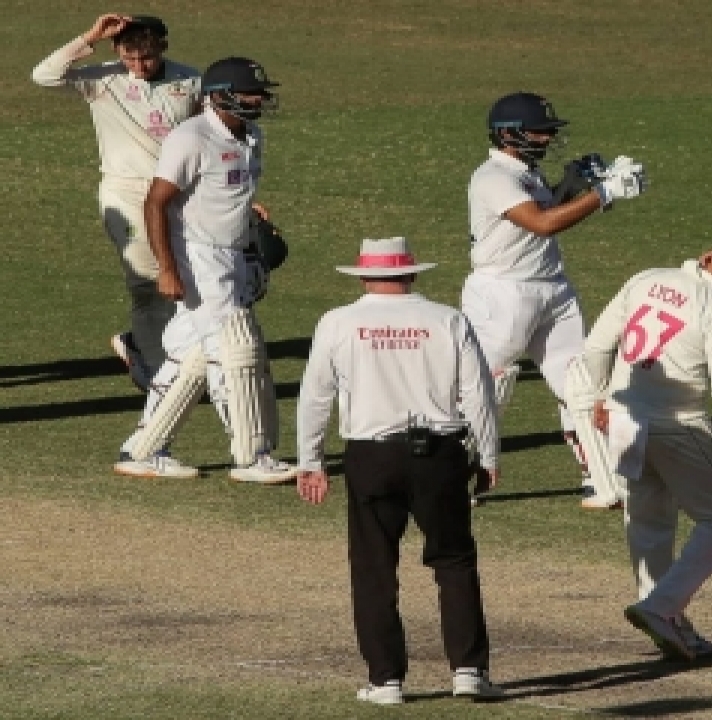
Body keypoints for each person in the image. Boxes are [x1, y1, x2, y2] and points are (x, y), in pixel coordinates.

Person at [295, 237, 503, 705]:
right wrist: (488, 455)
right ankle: (469, 670)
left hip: (371, 454)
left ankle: (386, 680)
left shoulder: (339, 323)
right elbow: (478, 394)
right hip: (439, 453)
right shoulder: (446, 319)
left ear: (364, 275)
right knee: (453, 560)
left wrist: (310, 461)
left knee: (373, 569)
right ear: (410, 273)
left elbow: (315, 398)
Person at [581, 236, 712, 661]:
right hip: (677, 424)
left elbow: (599, 344)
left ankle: (666, 616)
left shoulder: (645, 279)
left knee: (648, 517)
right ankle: (660, 607)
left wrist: (600, 396)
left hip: (622, 415)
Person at [112, 57, 295, 484]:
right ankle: (252, 457)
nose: (259, 99)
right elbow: (156, 202)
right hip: (198, 258)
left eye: (260, 92)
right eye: (250, 92)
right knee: (237, 348)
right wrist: (167, 270)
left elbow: (219, 191)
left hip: (232, 254)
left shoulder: (251, 135)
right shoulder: (191, 137)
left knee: (191, 357)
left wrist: (250, 217)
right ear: (219, 96)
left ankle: (143, 449)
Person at [463, 91, 647, 509]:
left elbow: (546, 212)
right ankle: (458, 476)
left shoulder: (525, 173)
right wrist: (602, 194)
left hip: (552, 287)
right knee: (485, 385)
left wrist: (575, 185)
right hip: (502, 292)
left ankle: (600, 477)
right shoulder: (493, 177)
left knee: (580, 383)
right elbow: (542, 223)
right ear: (508, 134)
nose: (546, 138)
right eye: (538, 131)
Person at [32, 13, 202, 390]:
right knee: (146, 281)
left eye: (147, 58)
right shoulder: (104, 79)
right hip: (125, 191)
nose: (138, 67)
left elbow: (207, 139)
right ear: (116, 49)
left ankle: (150, 347)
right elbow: (44, 75)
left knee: (185, 276)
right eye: (129, 57)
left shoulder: (190, 81)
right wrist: (90, 35)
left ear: (163, 47)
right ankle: (157, 370)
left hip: (177, 192)